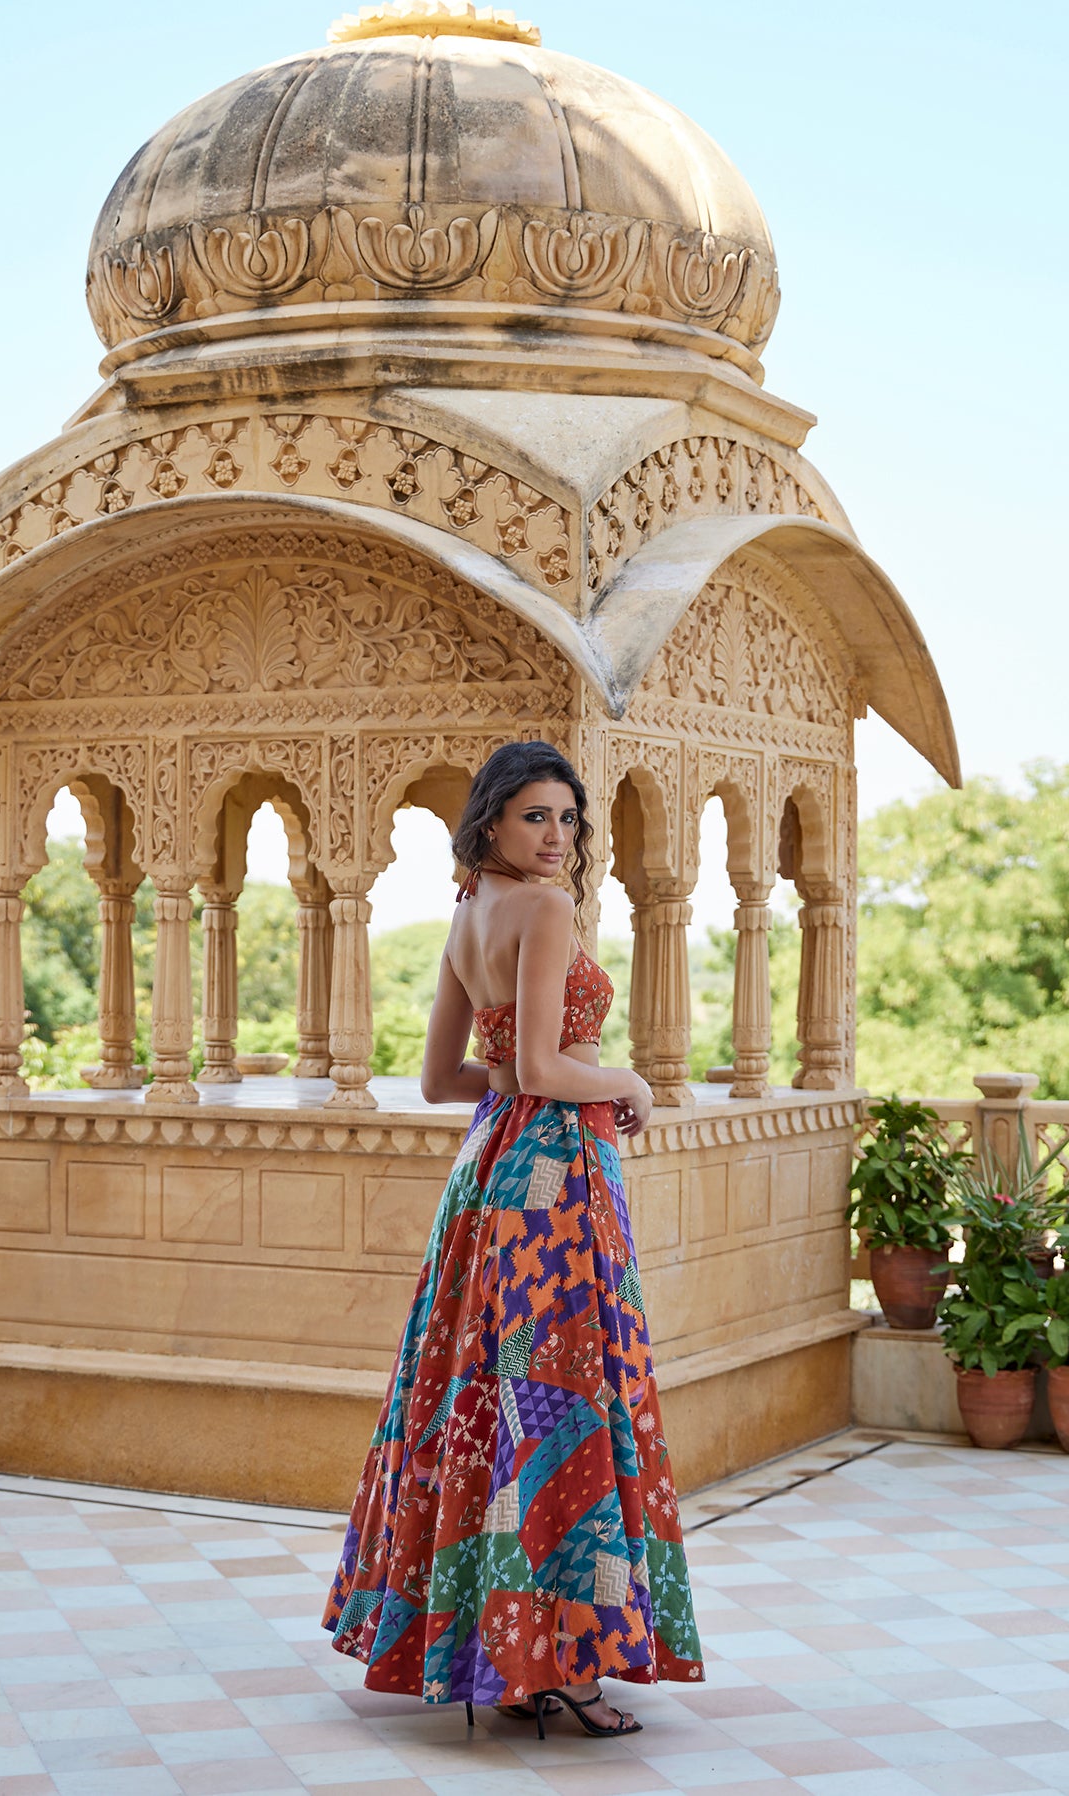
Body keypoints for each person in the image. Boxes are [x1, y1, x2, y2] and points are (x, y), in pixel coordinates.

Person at [321, 741, 704, 1737]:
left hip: (487, 1172)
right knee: (560, 1400)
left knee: (483, 1395)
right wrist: (626, 1081)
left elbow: (447, 1081)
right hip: (554, 1185)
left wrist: (534, 1078)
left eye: (566, 821)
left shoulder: (466, 914)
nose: (554, 838)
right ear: (489, 819)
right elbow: (542, 1064)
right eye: (535, 816)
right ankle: (564, 1666)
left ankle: (505, 1653)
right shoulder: (541, 910)